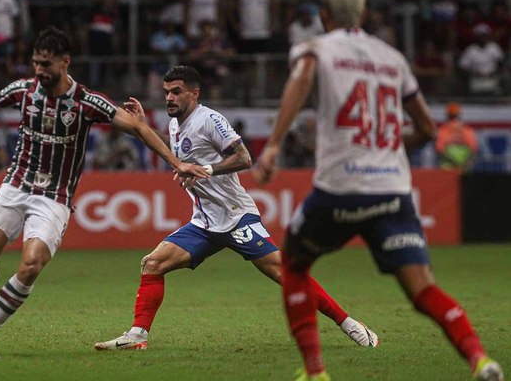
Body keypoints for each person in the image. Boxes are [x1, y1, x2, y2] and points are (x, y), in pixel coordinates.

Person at [253, 0, 503, 381]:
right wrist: (384, 145)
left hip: (341, 188)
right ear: (364, 13)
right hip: (392, 190)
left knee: (295, 266)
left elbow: (300, 79)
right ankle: (480, 358)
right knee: (423, 289)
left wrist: (273, 145)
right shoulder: (392, 58)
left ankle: (315, 372)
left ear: (324, 15)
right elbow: (425, 128)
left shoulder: (315, 48)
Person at [0, 27, 209, 360]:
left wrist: (176, 162)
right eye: (36, 63)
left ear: (65, 62)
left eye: (46, 64)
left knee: (31, 264)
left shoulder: (86, 102)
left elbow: (139, 127)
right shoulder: (24, 90)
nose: (39, 70)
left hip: (54, 197)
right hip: (17, 185)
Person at [94, 65, 379, 351]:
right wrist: (142, 128)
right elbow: (174, 145)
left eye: (176, 92)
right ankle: (138, 335)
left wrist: (205, 169)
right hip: (205, 223)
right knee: (153, 264)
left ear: (194, 93)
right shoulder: (176, 123)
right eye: (167, 92)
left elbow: (244, 158)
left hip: (235, 217)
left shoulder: (210, 119)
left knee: (286, 274)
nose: (169, 97)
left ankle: (348, 323)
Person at [435, 102, 478, 172]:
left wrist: (454, 163)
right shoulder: (467, 130)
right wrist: (464, 164)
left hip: (448, 169)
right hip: (463, 168)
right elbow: (474, 150)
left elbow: (439, 150)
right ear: (459, 115)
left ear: (447, 116)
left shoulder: (443, 130)